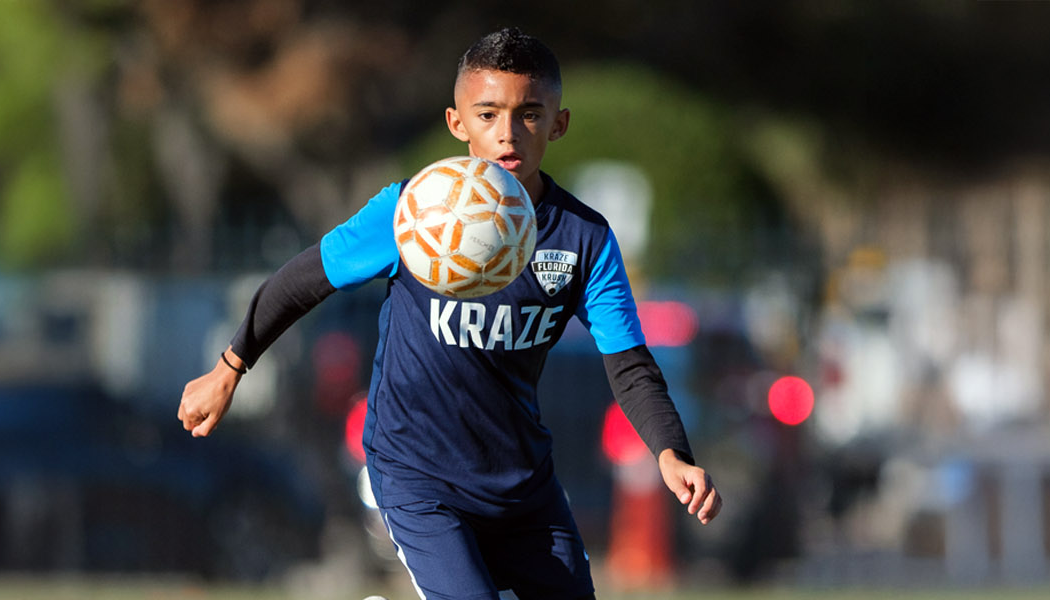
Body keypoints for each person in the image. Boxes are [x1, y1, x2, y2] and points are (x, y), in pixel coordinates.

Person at [179, 27, 721, 599]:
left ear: (558, 124)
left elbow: (630, 365)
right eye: (487, 114)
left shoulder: (583, 237)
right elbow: (305, 279)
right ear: (457, 123)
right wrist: (229, 368)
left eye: (529, 114)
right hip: (418, 475)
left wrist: (671, 453)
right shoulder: (412, 210)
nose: (508, 133)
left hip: (523, 488)